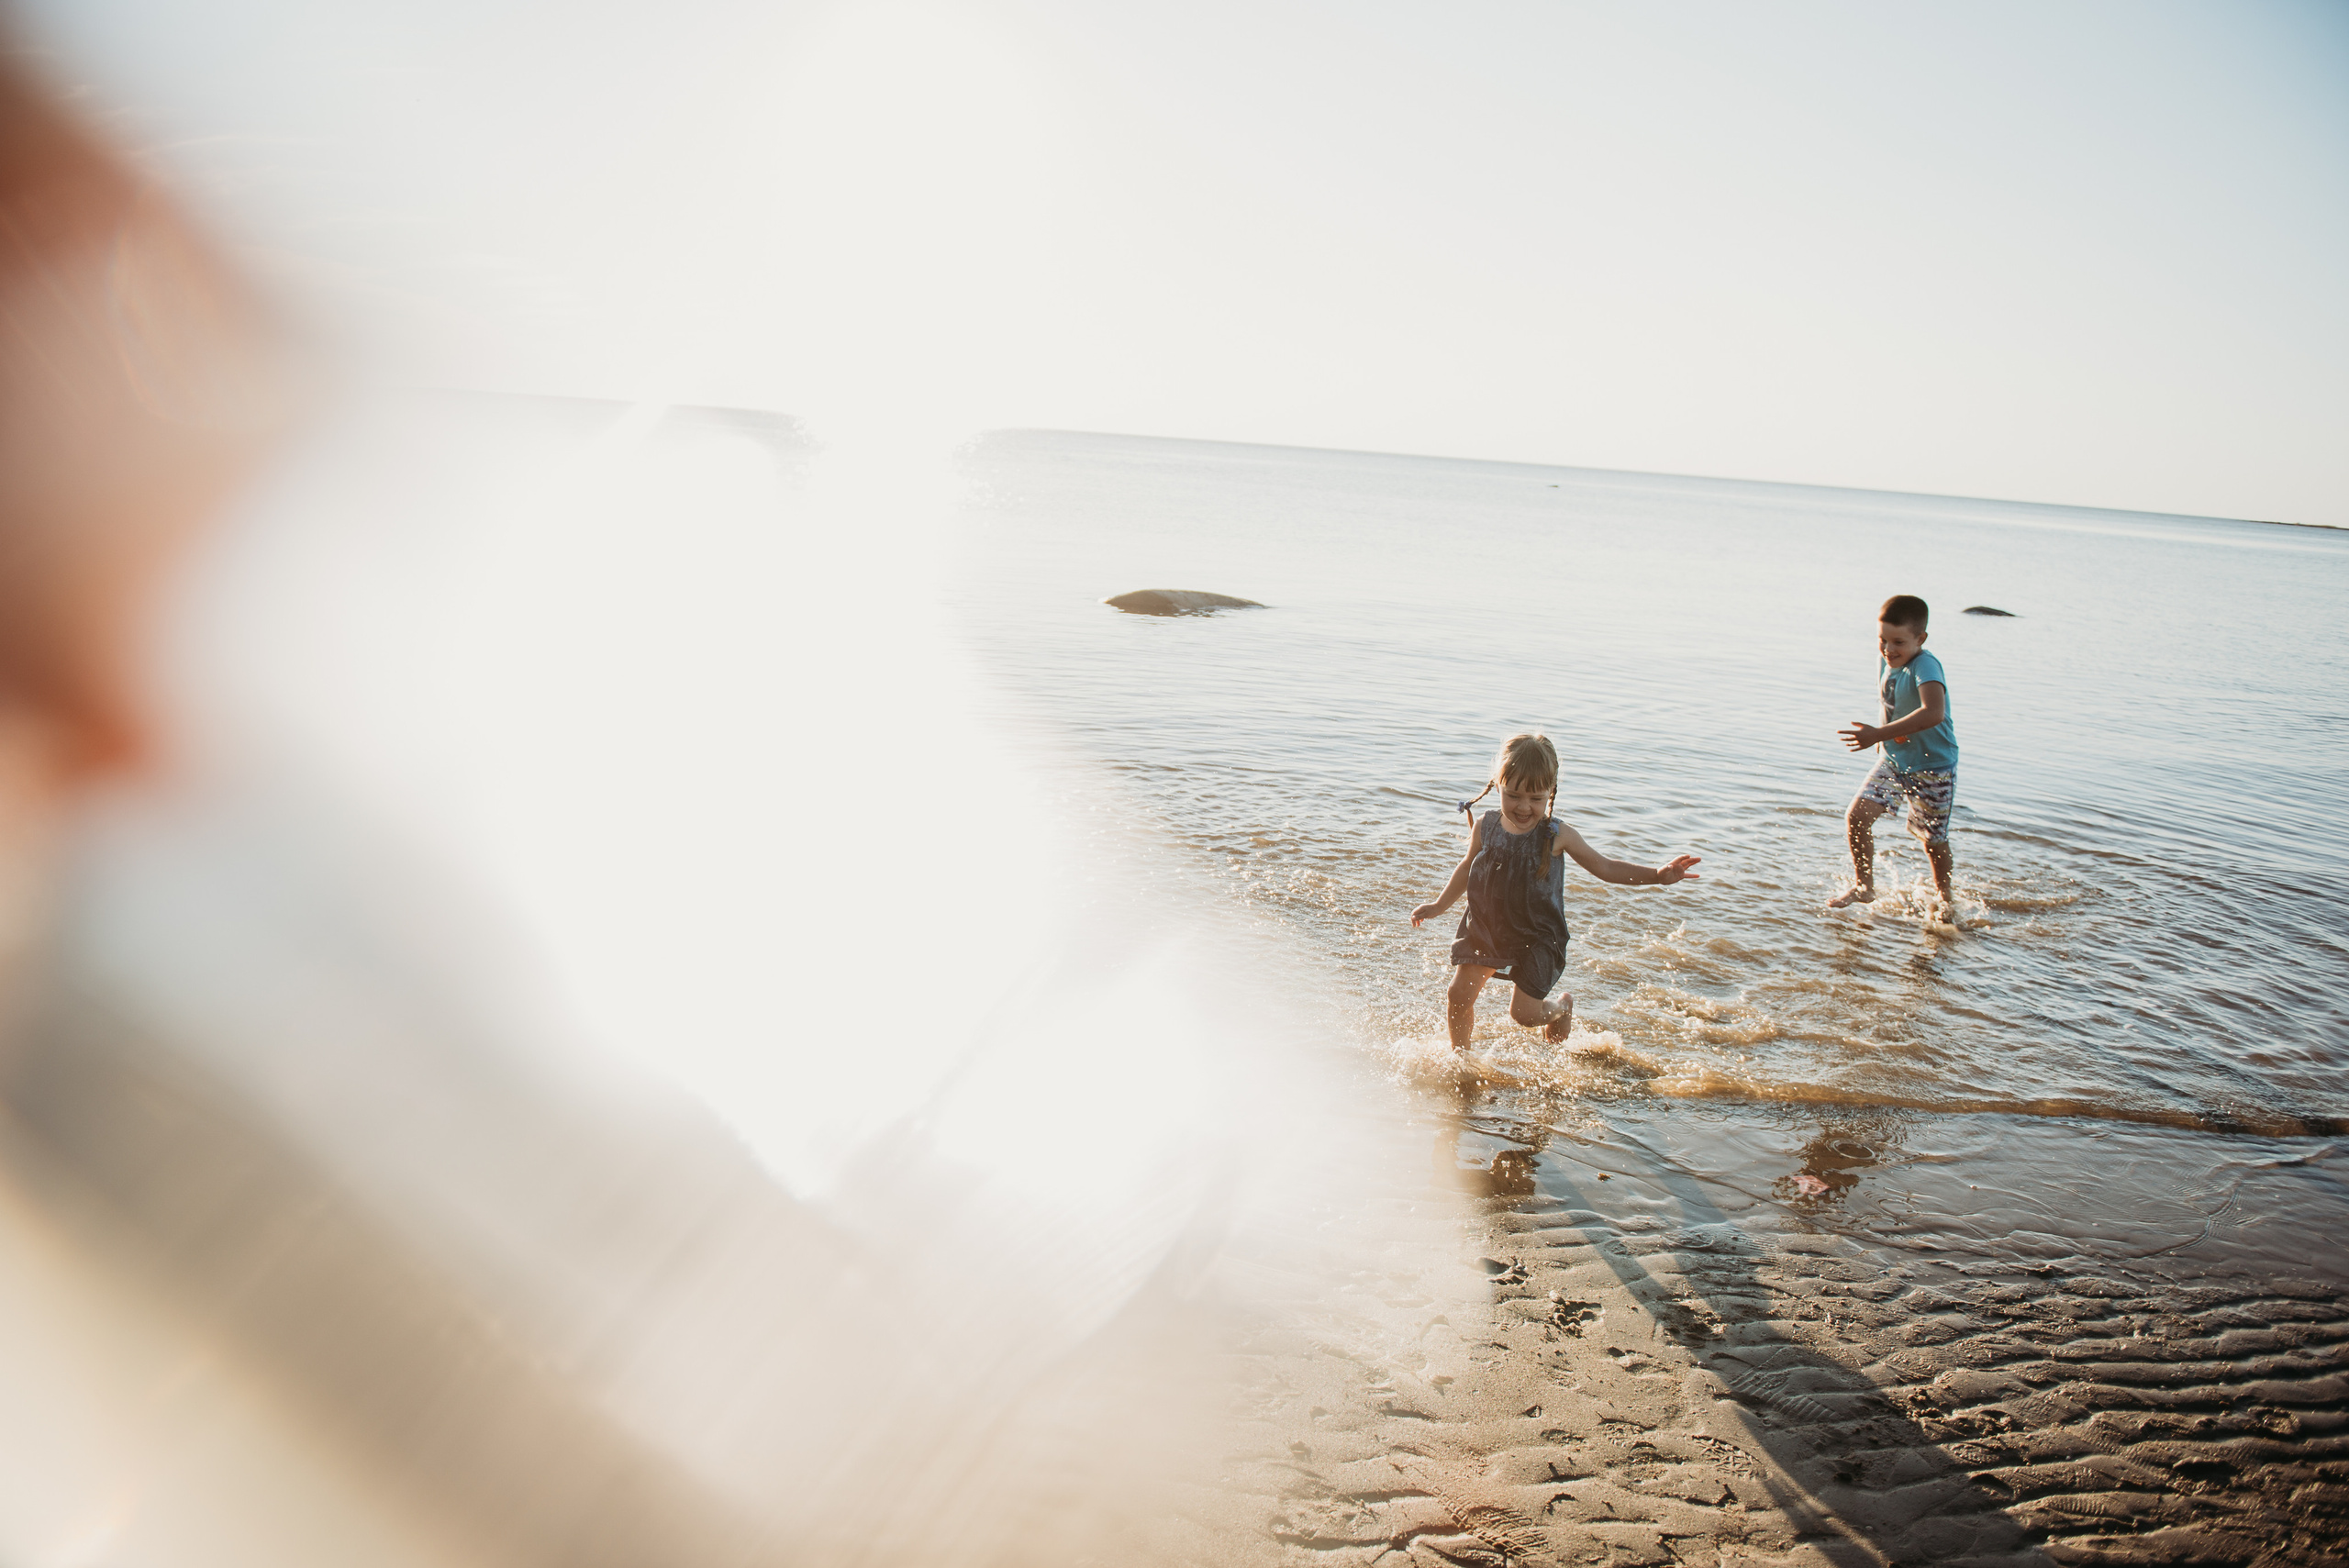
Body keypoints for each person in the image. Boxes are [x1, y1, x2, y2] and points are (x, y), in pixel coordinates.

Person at [1409, 732, 1700, 1053]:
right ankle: (1460, 1059)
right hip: (1488, 925)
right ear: (1498, 784)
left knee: (1523, 1015)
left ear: (1551, 791)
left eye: (1535, 798)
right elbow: (1467, 868)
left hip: (1538, 935)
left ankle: (1561, 1008)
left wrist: (1658, 875)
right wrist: (1439, 905)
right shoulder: (1486, 826)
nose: (1523, 807)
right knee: (1458, 995)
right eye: (1514, 795)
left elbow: (1605, 867)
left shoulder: (1557, 835)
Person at [1830, 594, 1958, 911]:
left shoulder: (1925, 665)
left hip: (1934, 766)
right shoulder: (1886, 662)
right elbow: (1892, 703)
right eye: (1882, 640)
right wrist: (1882, 740)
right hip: (1895, 761)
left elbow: (1933, 713)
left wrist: (1878, 734)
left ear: (1921, 638)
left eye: (1898, 642)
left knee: (1933, 839)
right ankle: (1864, 886)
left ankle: (1945, 899)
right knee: (1857, 818)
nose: (1888, 649)